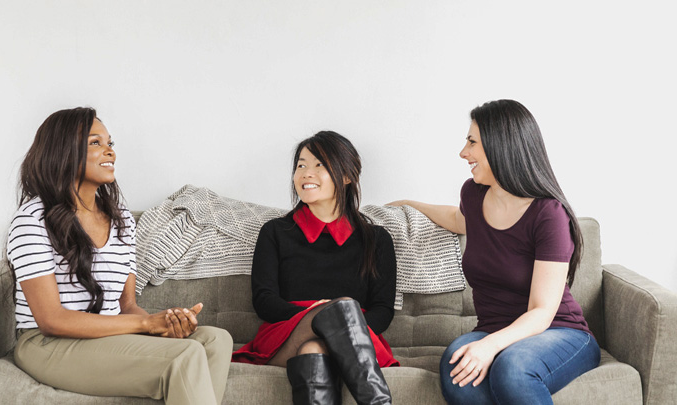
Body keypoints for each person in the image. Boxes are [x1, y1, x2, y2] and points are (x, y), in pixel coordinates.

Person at [6, 107, 232, 405]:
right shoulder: (32, 220)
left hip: (105, 338)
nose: (109, 151)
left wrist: (167, 325)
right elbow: (50, 319)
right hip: (47, 343)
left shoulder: (120, 218)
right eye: (95, 143)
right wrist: (146, 324)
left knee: (216, 340)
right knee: (186, 356)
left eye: (110, 143)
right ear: (63, 152)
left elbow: (127, 306)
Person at [389, 100, 600, 404]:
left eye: (472, 142)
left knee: (512, 367)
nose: (464, 152)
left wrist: (489, 346)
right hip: (493, 328)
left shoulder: (548, 214)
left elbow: (541, 312)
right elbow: (457, 220)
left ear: (501, 146)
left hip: (559, 332)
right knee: (457, 368)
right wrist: (408, 204)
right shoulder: (473, 195)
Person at [232, 131, 398, 405]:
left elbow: (383, 311)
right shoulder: (275, 232)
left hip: (359, 341)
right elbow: (264, 301)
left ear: (347, 176)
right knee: (336, 312)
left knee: (315, 347)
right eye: (301, 165)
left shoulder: (376, 239)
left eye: (320, 164)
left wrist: (343, 327)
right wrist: (318, 317)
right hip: (287, 334)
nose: (307, 173)